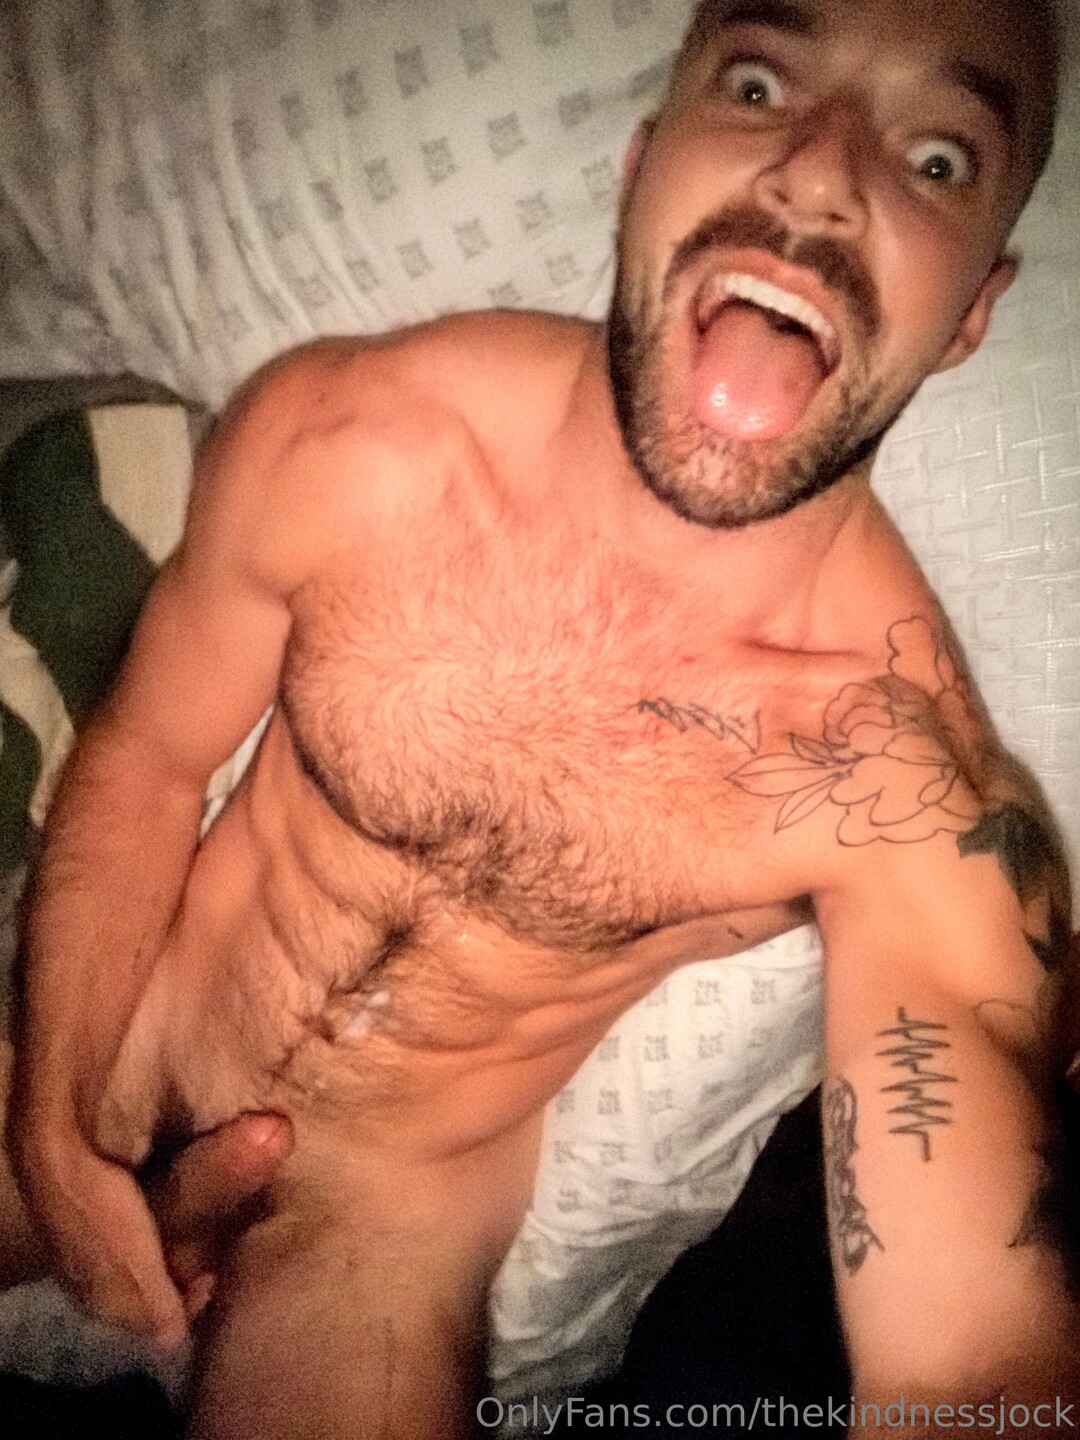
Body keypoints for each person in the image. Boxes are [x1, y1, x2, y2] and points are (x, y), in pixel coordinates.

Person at [4, 0, 1077, 1435]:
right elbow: (149, 761)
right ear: (639, 167)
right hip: (107, 1038)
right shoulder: (354, 439)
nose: (822, 174)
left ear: (973, 316)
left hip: (376, 1245)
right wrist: (55, 1124)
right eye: (761, 85)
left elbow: (972, 1362)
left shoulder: (900, 791)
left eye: (937, 159)